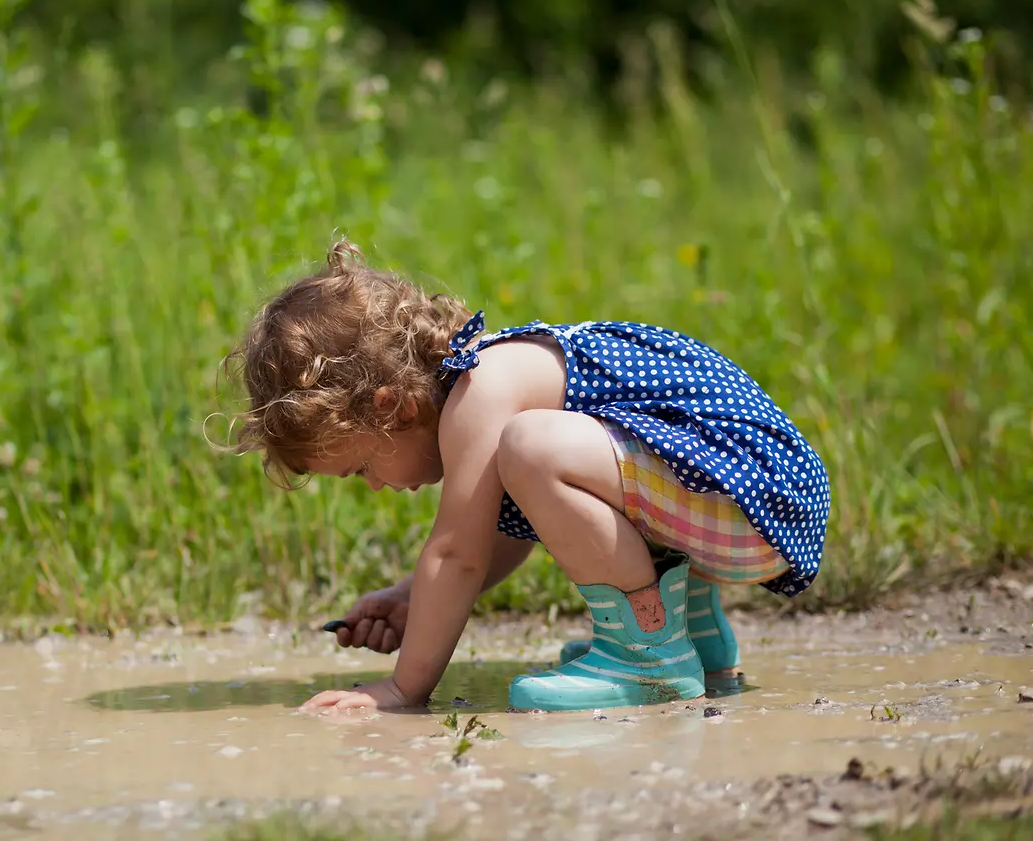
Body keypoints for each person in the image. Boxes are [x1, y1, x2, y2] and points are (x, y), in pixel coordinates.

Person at [218, 240, 830, 713]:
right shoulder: (480, 396)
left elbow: (457, 553)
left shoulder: (484, 393)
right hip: (744, 506)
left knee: (532, 445)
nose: (376, 487)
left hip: (760, 505)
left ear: (392, 406)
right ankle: (697, 641)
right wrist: (410, 599)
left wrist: (402, 689)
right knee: (534, 453)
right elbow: (498, 541)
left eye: (361, 469)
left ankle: (647, 660)